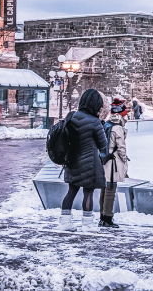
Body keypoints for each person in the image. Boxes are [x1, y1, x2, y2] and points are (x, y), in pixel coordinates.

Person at [58, 89, 108, 232]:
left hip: (72, 161)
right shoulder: (95, 122)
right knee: (88, 194)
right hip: (90, 164)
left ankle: (64, 223)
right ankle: (87, 225)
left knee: (71, 192)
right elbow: (103, 145)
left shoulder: (71, 116)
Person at [99, 103, 129, 228]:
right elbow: (121, 148)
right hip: (114, 164)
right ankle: (108, 218)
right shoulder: (117, 128)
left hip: (105, 161)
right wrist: (125, 162)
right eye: (125, 114)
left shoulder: (107, 124)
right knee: (111, 190)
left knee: (104, 189)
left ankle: (102, 217)